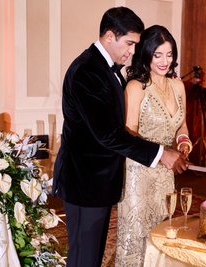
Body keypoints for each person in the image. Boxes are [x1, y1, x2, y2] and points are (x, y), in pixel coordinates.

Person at [52, 8, 188, 267]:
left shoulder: (105, 67)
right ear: (109, 36)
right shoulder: (87, 71)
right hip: (85, 181)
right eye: (129, 43)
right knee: (84, 257)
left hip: (98, 182)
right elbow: (108, 135)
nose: (132, 52)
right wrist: (162, 153)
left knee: (91, 255)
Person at [115, 25, 191, 267]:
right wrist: (162, 154)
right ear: (145, 54)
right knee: (136, 238)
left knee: (162, 234)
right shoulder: (135, 87)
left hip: (166, 176)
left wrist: (183, 143)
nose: (164, 61)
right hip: (139, 175)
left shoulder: (178, 86)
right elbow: (128, 135)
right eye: (157, 54)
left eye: (169, 55)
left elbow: (182, 125)